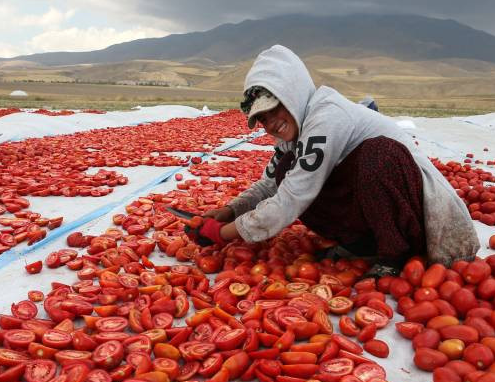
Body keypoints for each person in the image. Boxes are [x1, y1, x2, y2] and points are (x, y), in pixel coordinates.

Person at [194, 45, 478, 271]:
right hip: (374, 207)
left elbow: (293, 197)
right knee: (285, 170)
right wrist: (229, 211)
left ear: (292, 95)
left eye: (274, 109)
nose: (270, 123)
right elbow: (269, 185)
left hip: (417, 216)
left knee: (377, 155)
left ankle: (396, 253)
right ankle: (362, 245)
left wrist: (224, 233)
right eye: (262, 118)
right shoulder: (293, 135)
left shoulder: (326, 116)